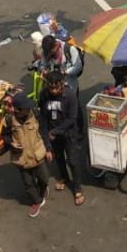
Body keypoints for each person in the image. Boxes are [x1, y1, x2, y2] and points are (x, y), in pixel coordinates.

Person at [37, 71, 85, 206]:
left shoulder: (70, 96)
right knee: (58, 157)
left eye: (55, 88)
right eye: (50, 87)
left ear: (62, 85)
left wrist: (55, 131)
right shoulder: (44, 95)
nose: (53, 91)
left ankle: (77, 187)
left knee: (73, 160)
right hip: (53, 134)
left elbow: (72, 119)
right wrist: (47, 143)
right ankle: (64, 177)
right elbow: (43, 118)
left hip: (68, 133)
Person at [1, 94, 52, 218]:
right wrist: (11, 143)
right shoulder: (8, 120)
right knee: (28, 183)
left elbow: (43, 131)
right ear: (18, 110)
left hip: (37, 154)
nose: (29, 109)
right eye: (26, 108)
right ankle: (37, 201)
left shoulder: (35, 114)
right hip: (21, 158)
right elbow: (4, 136)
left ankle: (43, 188)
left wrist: (48, 149)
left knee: (44, 178)